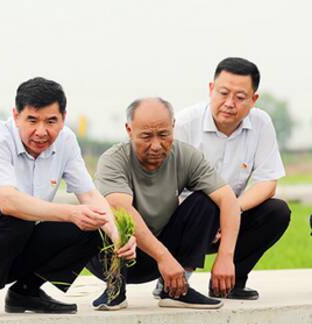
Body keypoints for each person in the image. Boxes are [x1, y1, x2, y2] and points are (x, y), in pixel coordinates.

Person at [0, 77, 135, 318]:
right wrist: (71, 213)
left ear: (63, 118)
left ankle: (25, 291)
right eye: (32, 120)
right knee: (20, 214)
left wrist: (117, 234)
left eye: (51, 121)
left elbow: (90, 195)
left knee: (95, 221)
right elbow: (9, 202)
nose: (41, 131)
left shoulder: (66, 140)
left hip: (16, 241)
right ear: (16, 115)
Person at [88, 97, 240, 310]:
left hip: (162, 255)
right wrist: (163, 257)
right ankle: (115, 288)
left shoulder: (186, 156)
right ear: (129, 130)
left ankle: (177, 289)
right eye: (146, 136)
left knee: (206, 202)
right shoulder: (113, 160)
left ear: (173, 127)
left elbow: (228, 199)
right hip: (117, 254)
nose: (156, 145)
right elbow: (122, 210)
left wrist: (225, 256)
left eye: (163, 134)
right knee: (109, 217)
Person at [173, 57, 291, 300]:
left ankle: (230, 282)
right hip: (185, 218)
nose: (229, 103)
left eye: (240, 97)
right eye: (223, 93)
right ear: (210, 89)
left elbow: (268, 182)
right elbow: (165, 190)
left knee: (277, 211)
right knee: (203, 201)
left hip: (230, 217)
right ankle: (175, 279)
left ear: (254, 99)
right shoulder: (184, 124)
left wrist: (231, 210)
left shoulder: (261, 123)